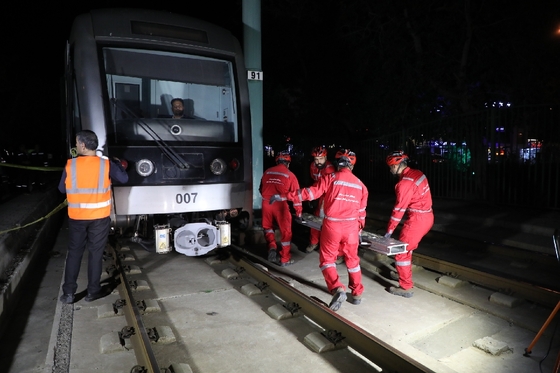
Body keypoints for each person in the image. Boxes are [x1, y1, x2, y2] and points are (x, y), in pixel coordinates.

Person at [272, 149, 367, 311]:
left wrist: (284, 197)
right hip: (351, 228)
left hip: (333, 226)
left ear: (337, 163)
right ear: (352, 165)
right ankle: (357, 293)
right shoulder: (361, 186)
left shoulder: (330, 178)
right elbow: (361, 213)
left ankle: (337, 287)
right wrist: (358, 231)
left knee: (327, 260)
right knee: (353, 261)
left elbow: (310, 193)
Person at [58, 130, 129, 304]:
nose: (76, 145)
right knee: (95, 253)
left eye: (76, 142)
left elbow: (61, 189)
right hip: (99, 217)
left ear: (83, 145)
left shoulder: (70, 165)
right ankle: (93, 292)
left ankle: (68, 294)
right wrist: (117, 164)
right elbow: (124, 179)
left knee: (74, 253)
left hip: (77, 217)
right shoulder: (106, 164)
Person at [384, 151, 434, 298]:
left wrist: (389, 231)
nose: (390, 170)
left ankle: (405, 287)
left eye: (391, 167)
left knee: (401, 252)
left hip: (417, 220)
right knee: (408, 249)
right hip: (428, 216)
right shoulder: (417, 173)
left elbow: (399, 209)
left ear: (397, 165)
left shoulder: (404, 183)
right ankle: (401, 274)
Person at [259, 150, 302, 267]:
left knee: (268, 228)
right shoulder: (290, 175)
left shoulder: (267, 172)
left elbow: (260, 189)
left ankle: (272, 246)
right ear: (288, 163)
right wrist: (299, 213)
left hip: (266, 203)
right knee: (286, 232)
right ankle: (284, 259)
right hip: (280, 205)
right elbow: (296, 196)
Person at [305, 146, 336, 253]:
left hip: (328, 195)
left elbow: (330, 188)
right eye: (316, 159)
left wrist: (323, 202)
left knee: (326, 221)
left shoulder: (330, 169)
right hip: (318, 192)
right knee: (315, 218)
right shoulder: (313, 166)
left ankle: (328, 246)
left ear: (326, 157)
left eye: (321, 159)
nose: (318, 162)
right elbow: (314, 180)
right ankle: (314, 242)